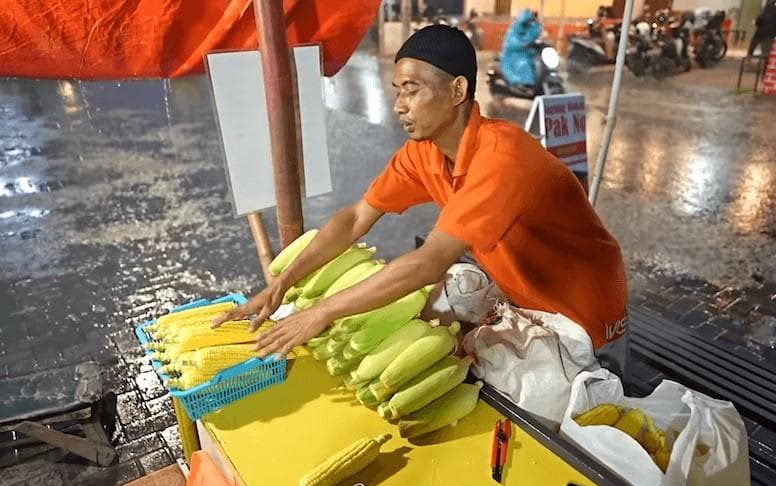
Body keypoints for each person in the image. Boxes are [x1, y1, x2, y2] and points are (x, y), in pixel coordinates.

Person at [212, 25, 629, 374]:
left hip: (585, 311)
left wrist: (322, 312)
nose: (399, 106)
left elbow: (428, 262)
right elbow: (357, 217)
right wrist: (284, 282)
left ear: (457, 90)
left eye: (412, 90)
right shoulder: (424, 153)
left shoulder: (503, 158)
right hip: (527, 299)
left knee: (588, 426)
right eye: (396, 91)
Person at [500, 8, 542, 90]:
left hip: (528, 53)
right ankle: (523, 83)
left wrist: (537, 22)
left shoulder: (531, 27)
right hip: (513, 54)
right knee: (523, 64)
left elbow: (534, 35)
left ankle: (536, 83)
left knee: (538, 63)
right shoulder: (514, 28)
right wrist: (521, 44)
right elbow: (510, 42)